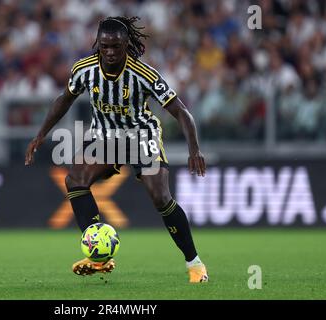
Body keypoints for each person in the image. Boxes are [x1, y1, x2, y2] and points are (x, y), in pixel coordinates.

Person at [25, 16, 208, 283]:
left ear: (126, 45)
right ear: (98, 44)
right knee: (75, 180)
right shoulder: (84, 69)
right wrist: (41, 134)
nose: (110, 52)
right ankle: (99, 256)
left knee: (160, 197)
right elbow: (63, 100)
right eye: (105, 46)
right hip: (105, 136)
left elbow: (181, 112)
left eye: (116, 46)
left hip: (141, 134)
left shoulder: (143, 74)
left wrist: (195, 150)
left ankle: (196, 265)